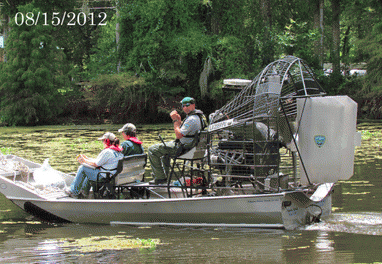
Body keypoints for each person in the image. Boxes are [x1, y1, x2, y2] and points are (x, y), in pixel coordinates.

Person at [148, 97, 207, 184]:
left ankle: (160, 178)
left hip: (184, 149)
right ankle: (164, 178)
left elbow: (179, 135)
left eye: (187, 105)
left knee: (152, 150)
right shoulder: (200, 117)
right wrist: (179, 121)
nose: (184, 108)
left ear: (193, 105)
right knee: (165, 154)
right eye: (183, 106)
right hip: (192, 147)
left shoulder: (191, 119)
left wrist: (175, 121)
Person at [66, 132, 124, 198]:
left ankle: (73, 191)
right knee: (88, 170)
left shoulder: (107, 151)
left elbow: (96, 164)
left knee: (82, 168)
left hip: (103, 177)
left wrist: (84, 161)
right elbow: (99, 161)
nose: (102, 142)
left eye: (103, 141)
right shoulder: (117, 151)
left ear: (106, 141)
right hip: (111, 176)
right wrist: (87, 159)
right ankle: (84, 193)